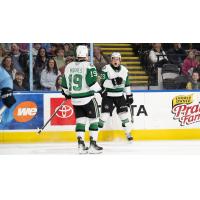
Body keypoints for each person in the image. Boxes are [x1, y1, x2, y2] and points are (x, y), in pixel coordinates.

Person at [61, 45, 103, 154]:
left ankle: (81, 145)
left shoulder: (69, 66)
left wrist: (67, 94)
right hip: (88, 98)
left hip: (75, 99)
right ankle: (93, 145)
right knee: (94, 120)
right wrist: (102, 91)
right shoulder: (89, 66)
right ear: (86, 55)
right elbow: (92, 83)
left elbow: (64, 85)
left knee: (80, 121)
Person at [98, 52, 134, 141]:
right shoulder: (106, 68)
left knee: (124, 116)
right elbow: (101, 82)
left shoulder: (125, 70)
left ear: (120, 60)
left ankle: (128, 134)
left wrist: (129, 95)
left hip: (120, 96)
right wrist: (112, 81)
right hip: (108, 95)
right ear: (111, 60)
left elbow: (126, 84)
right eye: (114, 58)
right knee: (104, 116)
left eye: (117, 59)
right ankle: (94, 135)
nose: (115, 60)